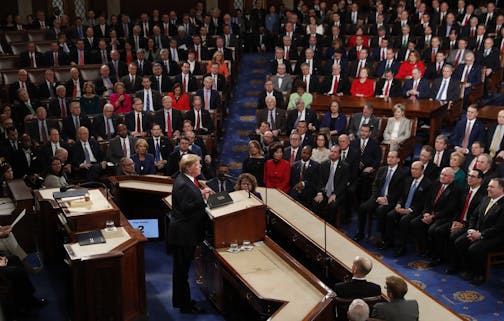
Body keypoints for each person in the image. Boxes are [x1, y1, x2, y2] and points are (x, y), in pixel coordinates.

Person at [168, 154, 212, 314]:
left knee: (182, 271)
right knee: (181, 272)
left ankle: (183, 301)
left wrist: (200, 195)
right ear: (189, 168)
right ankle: (184, 305)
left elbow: (188, 201)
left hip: (186, 233)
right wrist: (204, 200)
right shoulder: (183, 184)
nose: (200, 166)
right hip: (183, 235)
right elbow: (187, 208)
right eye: (198, 164)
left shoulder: (186, 180)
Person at [455, 177, 504, 285]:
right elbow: (473, 216)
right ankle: (468, 269)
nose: (488, 189)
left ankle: (480, 275)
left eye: (492, 187)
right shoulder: (485, 199)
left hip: (495, 237)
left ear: (501, 189)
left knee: (475, 248)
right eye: (488, 186)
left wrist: (481, 235)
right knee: (459, 242)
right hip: (477, 231)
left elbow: (499, 227)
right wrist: (471, 230)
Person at [355, 151, 406, 242]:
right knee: (362, 208)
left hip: (390, 200)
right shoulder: (382, 169)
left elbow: (399, 191)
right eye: (388, 157)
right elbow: (375, 185)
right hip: (377, 197)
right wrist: (377, 196)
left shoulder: (402, 173)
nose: (389, 159)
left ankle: (383, 238)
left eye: (392, 157)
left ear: (398, 159)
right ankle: (360, 233)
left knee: (381, 210)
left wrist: (387, 199)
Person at [388, 161, 433, 256]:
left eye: (416, 169)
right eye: (412, 168)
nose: (413, 171)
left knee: (404, 220)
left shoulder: (427, 184)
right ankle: (389, 241)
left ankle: (402, 247)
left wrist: (409, 210)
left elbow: (424, 202)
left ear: (422, 170)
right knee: (390, 215)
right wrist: (399, 204)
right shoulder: (408, 180)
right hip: (404, 207)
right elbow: (402, 196)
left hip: (417, 211)